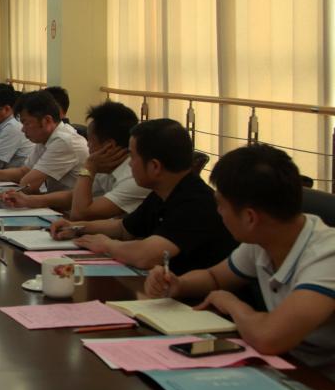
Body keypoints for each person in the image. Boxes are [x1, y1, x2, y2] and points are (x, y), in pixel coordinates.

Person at [143, 145, 335, 372]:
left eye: (221, 205)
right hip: (288, 364)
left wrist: (232, 304)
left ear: (250, 218)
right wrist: (178, 284)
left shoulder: (327, 256)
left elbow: (268, 338)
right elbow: (214, 277)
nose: (218, 213)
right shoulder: (265, 239)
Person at [49, 118, 236, 274]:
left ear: (155, 166)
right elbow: (123, 228)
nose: (130, 164)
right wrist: (77, 227)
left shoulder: (195, 203)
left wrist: (107, 245)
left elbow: (145, 256)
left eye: (133, 157)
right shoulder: (162, 192)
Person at [0, 100, 149, 215]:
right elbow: (73, 196)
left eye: (90, 141)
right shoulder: (107, 164)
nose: (87, 145)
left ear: (109, 146)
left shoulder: (133, 178)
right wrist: (28, 200)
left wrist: (89, 167)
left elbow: (80, 213)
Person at [0, 90, 88, 194]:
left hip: (72, 208)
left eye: (26, 123)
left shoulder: (63, 141)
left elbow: (28, 184)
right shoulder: (45, 137)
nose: (23, 129)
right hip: (58, 203)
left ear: (47, 120)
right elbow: (24, 171)